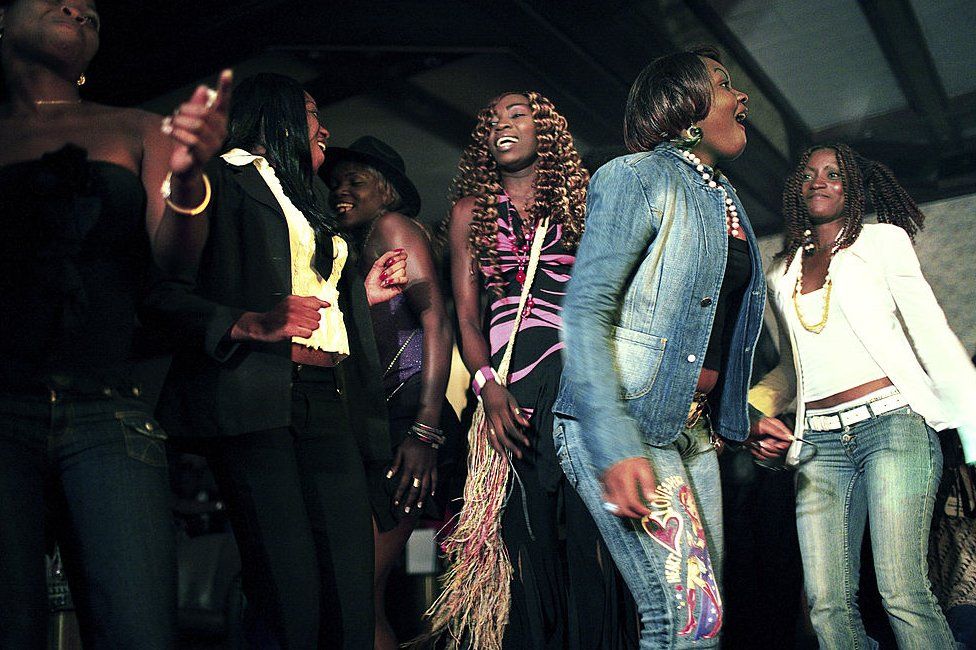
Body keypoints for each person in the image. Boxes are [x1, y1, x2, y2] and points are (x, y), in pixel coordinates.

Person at [142, 73, 407, 649]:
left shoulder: (306, 196)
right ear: (276, 117)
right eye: (312, 112)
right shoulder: (220, 178)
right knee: (290, 596)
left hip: (328, 397)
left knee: (348, 588)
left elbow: (308, 287)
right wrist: (247, 322)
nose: (325, 127)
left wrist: (361, 291)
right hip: (258, 399)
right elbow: (162, 292)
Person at [0, 0, 229, 647]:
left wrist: (188, 183)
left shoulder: (140, 129)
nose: (80, 8)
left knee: (138, 630)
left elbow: (175, 259)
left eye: (94, 12)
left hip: (111, 415)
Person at [552, 47, 782, 649]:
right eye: (723, 83)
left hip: (694, 432)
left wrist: (743, 416)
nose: (741, 97)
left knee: (703, 623)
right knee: (686, 623)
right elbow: (584, 311)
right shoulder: (634, 177)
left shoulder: (722, 197)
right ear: (684, 103)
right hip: (629, 425)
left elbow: (705, 330)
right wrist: (616, 443)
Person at [427, 91, 633, 650]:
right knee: (524, 544)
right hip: (510, 393)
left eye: (517, 114)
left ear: (545, 129)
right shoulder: (470, 212)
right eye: (492, 119)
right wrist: (487, 385)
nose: (502, 124)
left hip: (579, 384)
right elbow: (467, 318)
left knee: (594, 542)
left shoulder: (581, 203)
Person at [749, 143, 976, 649]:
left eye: (833, 173)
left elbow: (932, 333)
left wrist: (974, 433)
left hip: (893, 425)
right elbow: (793, 367)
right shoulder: (780, 273)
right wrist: (750, 408)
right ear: (796, 190)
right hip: (818, 446)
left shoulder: (883, 242)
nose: (819, 181)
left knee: (902, 591)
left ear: (852, 186)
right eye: (808, 175)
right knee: (827, 606)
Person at [323, 135, 460, 650]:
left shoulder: (392, 226)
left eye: (355, 181)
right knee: (362, 594)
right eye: (336, 183)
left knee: (358, 591)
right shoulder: (356, 246)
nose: (341, 191)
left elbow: (435, 322)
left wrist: (425, 429)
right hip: (382, 426)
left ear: (386, 191)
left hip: (409, 425)